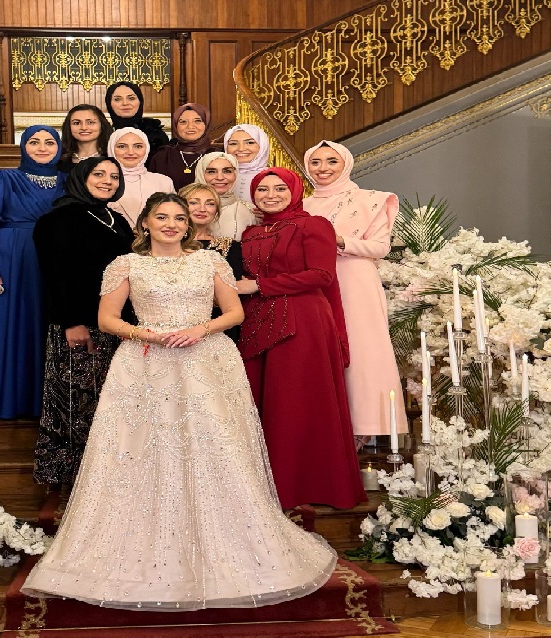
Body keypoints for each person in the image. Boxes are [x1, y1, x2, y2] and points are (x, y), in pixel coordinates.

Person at [22, 192, 338, 610]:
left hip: (206, 358)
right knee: (141, 449)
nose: (171, 224)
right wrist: (147, 334)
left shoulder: (210, 262)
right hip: (145, 361)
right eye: (162, 217)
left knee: (215, 445)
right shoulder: (126, 264)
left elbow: (235, 313)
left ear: (188, 225)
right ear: (145, 223)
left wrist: (199, 330)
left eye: (179, 218)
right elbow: (106, 320)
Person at [238, 168, 366, 510]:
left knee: (297, 402)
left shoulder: (314, 225)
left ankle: (305, 488)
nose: (271, 195)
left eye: (280, 188)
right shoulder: (250, 232)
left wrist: (260, 286)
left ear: (295, 192)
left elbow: (321, 275)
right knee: (260, 402)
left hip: (303, 320)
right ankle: (268, 490)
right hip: (256, 320)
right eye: (262, 189)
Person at [31, 157, 134, 486]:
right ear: (80, 178)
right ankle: (67, 481)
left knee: (109, 403)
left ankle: (107, 477)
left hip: (115, 325)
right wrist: (71, 322)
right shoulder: (57, 220)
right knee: (74, 404)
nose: (107, 181)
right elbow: (55, 276)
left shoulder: (118, 220)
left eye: (114, 176)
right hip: (79, 325)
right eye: (99, 174)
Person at [303, 141, 407, 449]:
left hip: (355, 279)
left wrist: (336, 240)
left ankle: (364, 425)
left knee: (363, 349)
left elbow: (380, 247)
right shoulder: (301, 205)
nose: (323, 168)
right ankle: (327, 424)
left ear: (346, 164)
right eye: (315, 162)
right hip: (314, 281)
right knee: (321, 348)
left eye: (331, 161)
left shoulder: (369, 200)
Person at [0, 125, 65, 419]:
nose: (42, 148)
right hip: (10, 261)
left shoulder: (69, 180)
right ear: (23, 146)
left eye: (49, 142)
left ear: (59, 148)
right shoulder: (3, 177)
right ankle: (3, 401)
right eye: (34, 142)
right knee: (9, 327)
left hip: (53, 261)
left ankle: (41, 402)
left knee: (44, 326)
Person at [178, 182, 243, 342]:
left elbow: (232, 292)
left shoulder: (230, 246)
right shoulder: (164, 243)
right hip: (170, 325)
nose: (202, 209)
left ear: (216, 211)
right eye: (193, 202)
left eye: (210, 204)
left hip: (217, 327)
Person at [107, 127, 174, 227]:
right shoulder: (101, 182)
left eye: (138, 146)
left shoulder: (163, 181)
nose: (130, 152)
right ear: (111, 148)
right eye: (122, 146)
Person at [148, 103, 216, 190]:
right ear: (176, 125)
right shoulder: (162, 157)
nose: (190, 126)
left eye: (197, 121)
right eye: (183, 122)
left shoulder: (217, 156)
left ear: (206, 124)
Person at [194, 151, 257, 240]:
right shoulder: (184, 208)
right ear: (201, 173)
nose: (220, 177)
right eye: (211, 172)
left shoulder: (251, 211)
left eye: (227, 171)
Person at [104, 81, 169, 156]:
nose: (125, 103)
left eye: (131, 98)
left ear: (140, 101)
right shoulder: (103, 135)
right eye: (117, 99)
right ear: (109, 104)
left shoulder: (157, 135)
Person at [56, 105, 112, 173]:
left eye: (90, 122)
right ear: (68, 127)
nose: (84, 128)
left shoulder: (112, 156)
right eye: (77, 123)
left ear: (102, 125)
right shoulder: (58, 159)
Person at [223, 124, 270, 203]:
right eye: (233, 143)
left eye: (250, 143)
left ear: (262, 146)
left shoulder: (274, 177)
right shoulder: (216, 176)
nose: (241, 149)